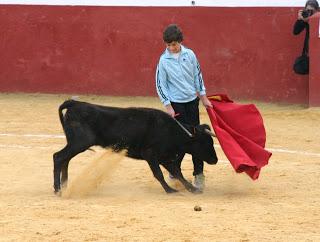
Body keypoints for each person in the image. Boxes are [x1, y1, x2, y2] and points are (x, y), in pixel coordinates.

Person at [155, 24, 212, 191]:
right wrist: (168, 106)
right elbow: (160, 84)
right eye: (168, 45)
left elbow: (197, 76)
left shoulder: (190, 55)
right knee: (179, 140)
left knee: (197, 139)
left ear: (180, 41)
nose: (171, 48)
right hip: (176, 104)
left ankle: (199, 174)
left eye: (174, 44)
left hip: (192, 102)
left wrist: (203, 97)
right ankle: (174, 170)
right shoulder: (163, 60)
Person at [293, 0, 319, 73]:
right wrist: (300, 20)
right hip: (310, 53)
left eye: (311, 11)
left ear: (317, 10)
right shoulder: (306, 18)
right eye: (307, 10)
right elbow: (295, 32)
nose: (309, 13)